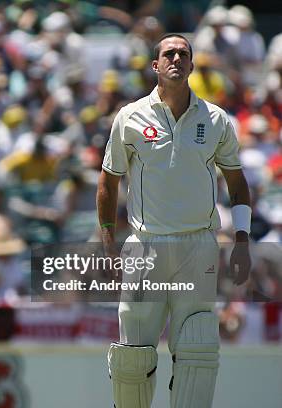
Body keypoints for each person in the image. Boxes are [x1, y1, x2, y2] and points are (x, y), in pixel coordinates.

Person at [97, 34, 251, 408]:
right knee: (133, 356)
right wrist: (107, 241)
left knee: (198, 351)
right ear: (156, 65)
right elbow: (108, 181)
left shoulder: (215, 119)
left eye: (184, 54)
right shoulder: (130, 117)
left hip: (198, 246)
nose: (177, 59)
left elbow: (237, 183)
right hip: (145, 244)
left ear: (193, 65)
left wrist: (243, 240)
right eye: (169, 53)